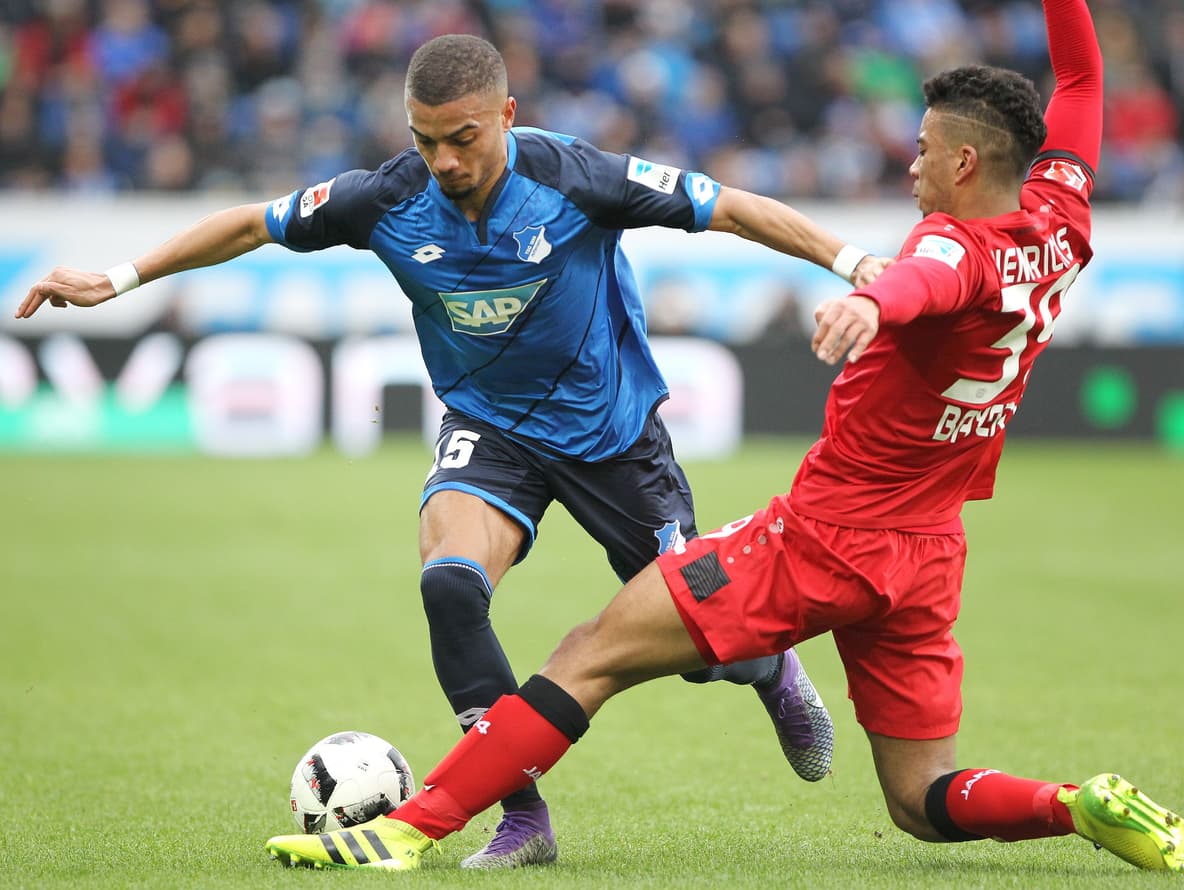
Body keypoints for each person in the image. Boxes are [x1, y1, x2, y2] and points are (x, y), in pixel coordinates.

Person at [260, 0, 1184, 876]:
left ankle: (411, 826)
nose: (911, 162)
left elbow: (923, 276)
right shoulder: (1058, 217)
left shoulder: (947, 247)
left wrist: (869, 302)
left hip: (823, 539)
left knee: (587, 653)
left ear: (966, 164)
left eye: (925, 149)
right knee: (920, 802)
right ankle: (1075, 805)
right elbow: (1086, 81)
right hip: (928, 555)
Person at [15, 33, 891, 870]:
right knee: (449, 585)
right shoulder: (386, 198)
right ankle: (522, 814)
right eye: (425, 140)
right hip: (493, 431)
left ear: (507, 114)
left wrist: (853, 261)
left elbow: (731, 206)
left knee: (711, 653)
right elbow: (253, 224)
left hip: (614, 439)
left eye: (463, 138)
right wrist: (119, 279)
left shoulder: (578, 178)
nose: (443, 160)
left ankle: (767, 667)